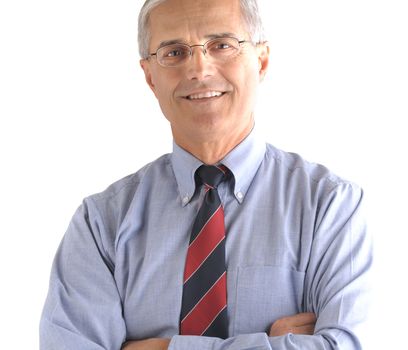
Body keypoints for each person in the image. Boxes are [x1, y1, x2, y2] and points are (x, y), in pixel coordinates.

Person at [40, 0, 372, 349]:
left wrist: (161, 347)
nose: (199, 69)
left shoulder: (329, 206)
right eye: (174, 52)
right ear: (150, 77)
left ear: (261, 61)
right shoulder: (101, 224)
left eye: (222, 45)